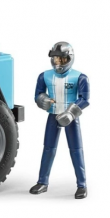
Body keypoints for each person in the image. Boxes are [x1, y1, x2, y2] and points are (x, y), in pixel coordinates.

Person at [30, 42, 90, 199]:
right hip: (53, 115)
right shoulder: (44, 76)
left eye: (62, 59)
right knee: (48, 149)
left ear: (69, 58)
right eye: (56, 59)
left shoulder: (80, 77)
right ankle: (42, 182)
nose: (58, 62)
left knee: (76, 150)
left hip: (71, 118)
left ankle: (82, 185)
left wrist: (71, 113)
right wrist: (42, 100)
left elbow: (84, 99)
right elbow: (38, 94)